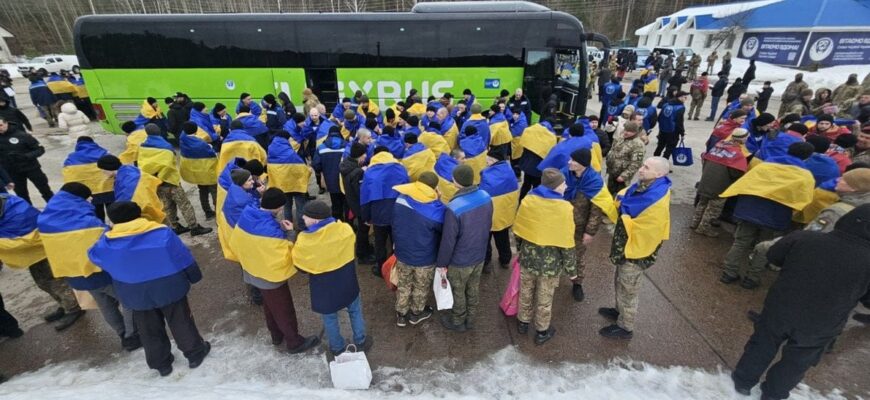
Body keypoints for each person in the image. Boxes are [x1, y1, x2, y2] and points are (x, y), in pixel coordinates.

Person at [730, 205, 870, 400]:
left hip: (782, 306)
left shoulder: (805, 238)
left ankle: (743, 381)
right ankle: (774, 393)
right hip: (823, 322)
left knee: (762, 344)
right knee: (798, 361)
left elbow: (774, 256)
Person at [88, 202, 210, 377]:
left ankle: (161, 363)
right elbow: (182, 256)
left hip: (134, 291)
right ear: (139, 214)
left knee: (148, 328)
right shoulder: (162, 232)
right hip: (169, 286)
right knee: (181, 320)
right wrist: (194, 275)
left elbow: (94, 256)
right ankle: (194, 354)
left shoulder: (107, 242)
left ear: (113, 220)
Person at [37, 182, 140, 350]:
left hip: (76, 275)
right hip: (101, 273)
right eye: (87, 198)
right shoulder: (88, 223)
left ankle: (122, 334)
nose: (90, 201)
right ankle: (132, 335)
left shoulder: (44, 220)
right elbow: (109, 242)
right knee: (129, 300)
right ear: (79, 199)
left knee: (105, 305)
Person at [230, 188, 320, 353]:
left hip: (253, 269)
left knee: (269, 305)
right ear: (278, 207)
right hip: (270, 276)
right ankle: (294, 342)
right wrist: (290, 233)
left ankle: (276, 335)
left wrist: (279, 226)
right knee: (283, 308)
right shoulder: (271, 232)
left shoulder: (247, 214)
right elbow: (285, 254)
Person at [719, 142, 816, 289]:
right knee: (764, 247)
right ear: (807, 157)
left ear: (788, 150)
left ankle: (728, 273)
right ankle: (752, 278)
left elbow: (745, 182)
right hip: (775, 215)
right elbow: (804, 199)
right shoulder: (805, 176)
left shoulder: (765, 165)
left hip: (749, 209)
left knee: (740, 242)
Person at [599, 157, 672, 339]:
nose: (641, 169)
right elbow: (627, 195)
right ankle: (619, 310)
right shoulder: (647, 185)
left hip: (636, 252)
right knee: (620, 281)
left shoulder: (655, 197)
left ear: (659, 174)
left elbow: (634, 212)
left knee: (628, 289)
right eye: (642, 165)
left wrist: (620, 205)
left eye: (646, 167)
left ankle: (625, 326)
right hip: (627, 247)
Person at [292, 200, 371, 356]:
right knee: (355, 310)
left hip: (324, 287)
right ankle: (361, 340)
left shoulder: (305, 241)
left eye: (306, 216)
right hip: (347, 281)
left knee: (330, 318)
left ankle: (337, 348)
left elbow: (301, 267)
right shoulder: (345, 229)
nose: (302, 218)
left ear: (315, 220)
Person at [0, 192, 85, 331]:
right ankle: (64, 304)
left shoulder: (17, 211)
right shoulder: (6, 205)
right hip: (32, 255)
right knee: (43, 283)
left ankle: (74, 308)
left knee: (56, 281)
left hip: (43, 251)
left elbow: (26, 240)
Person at [512, 168, 576, 345]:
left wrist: (520, 251)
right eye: (563, 183)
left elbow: (519, 230)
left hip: (528, 259)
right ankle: (542, 330)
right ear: (555, 186)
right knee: (544, 299)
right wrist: (572, 270)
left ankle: (523, 322)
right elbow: (566, 243)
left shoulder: (528, 200)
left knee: (526, 291)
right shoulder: (564, 208)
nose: (566, 186)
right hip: (550, 266)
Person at [436, 164, 492, 332]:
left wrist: (442, 263)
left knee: (458, 290)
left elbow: (448, 240)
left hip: (460, 260)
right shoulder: (486, 196)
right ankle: (471, 318)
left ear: (456, 182)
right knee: (473, 287)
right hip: (479, 254)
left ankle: (458, 320)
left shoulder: (454, 207)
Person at [561, 148, 616, 302]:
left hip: (579, 227)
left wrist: (590, 232)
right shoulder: (563, 175)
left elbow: (596, 211)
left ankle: (577, 283)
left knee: (577, 256)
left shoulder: (594, 182)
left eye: (573, 160)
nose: (569, 162)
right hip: (560, 224)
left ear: (583, 164)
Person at [138, 124, 212, 236]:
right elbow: (168, 165)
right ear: (159, 132)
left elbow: (142, 164)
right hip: (170, 182)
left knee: (167, 205)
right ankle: (194, 227)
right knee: (184, 204)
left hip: (155, 182)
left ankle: (174, 226)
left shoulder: (143, 146)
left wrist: (156, 180)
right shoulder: (165, 147)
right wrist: (163, 177)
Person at [391, 172, 444, 327]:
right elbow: (442, 229)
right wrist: (438, 200)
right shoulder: (437, 210)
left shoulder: (401, 199)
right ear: (434, 188)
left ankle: (401, 314)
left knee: (404, 284)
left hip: (402, 253)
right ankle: (416, 314)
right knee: (421, 287)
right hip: (425, 257)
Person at [361, 147, 410, 276]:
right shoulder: (401, 168)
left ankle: (381, 268)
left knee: (380, 242)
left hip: (378, 213)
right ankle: (395, 268)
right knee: (396, 241)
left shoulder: (369, 172)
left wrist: (366, 217)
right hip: (398, 211)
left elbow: (365, 196)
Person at [693, 128, 749, 237]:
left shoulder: (718, 145)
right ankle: (703, 228)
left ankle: (694, 223)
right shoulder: (737, 154)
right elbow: (736, 173)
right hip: (720, 185)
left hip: (706, 181)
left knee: (702, 202)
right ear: (742, 139)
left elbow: (705, 159)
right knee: (714, 208)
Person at [480, 151, 519, 273]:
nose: (486, 161)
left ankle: (486, 262)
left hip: (489, 216)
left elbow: (482, 193)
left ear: (493, 160)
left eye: (488, 159)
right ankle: (505, 260)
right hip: (504, 215)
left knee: (485, 241)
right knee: (503, 239)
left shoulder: (487, 174)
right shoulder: (509, 171)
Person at [0, 118, 53, 204]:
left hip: (31, 168)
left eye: (1, 125)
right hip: (13, 172)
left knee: (45, 190)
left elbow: (40, 149)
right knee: (22, 195)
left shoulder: (22, 135)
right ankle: (28, 211)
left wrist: (26, 156)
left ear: (6, 123)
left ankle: (54, 208)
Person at [61, 137, 115, 221]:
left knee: (97, 215)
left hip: (90, 192)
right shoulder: (105, 153)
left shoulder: (71, 158)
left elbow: (69, 176)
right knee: (114, 214)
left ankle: (100, 227)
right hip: (109, 189)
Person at [268, 130, 311, 230]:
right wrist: (308, 170)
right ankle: (302, 227)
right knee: (300, 206)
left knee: (287, 206)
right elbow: (301, 168)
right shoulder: (290, 153)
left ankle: (288, 226)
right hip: (296, 184)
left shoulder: (270, 151)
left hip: (282, 185)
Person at [340, 142, 375, 264]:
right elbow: (360, 192)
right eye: (364, 154)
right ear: (359, 155)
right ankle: (362, 254)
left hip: (352, 201)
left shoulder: (346, 165)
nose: (366, 156)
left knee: (362, 228)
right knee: (363, 229)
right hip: (360, 205)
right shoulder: (358, 172)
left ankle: (365, 248)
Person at [179, 122, 218, 220]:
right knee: (214, 191)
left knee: (203, 191)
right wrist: (211, 147)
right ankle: (218, 210)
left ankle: (207, 212)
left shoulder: (183, 140)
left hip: (197, 173)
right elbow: (212, 154)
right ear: (196, 130)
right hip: (208, 172)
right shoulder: (201, 144)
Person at [517, 118, 558, 198]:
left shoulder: (531, 129)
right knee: (537, 187)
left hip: (527, 164)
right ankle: (534, 202)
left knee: (526, 185)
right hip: (539, 168)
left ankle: (520, 201)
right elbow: (551, 153)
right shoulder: (552, 137)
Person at [313, 127, 347, 221]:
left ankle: (337, 221)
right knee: (346, 202)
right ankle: (348, 223)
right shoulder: (347, 146)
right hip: (345, 179)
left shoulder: (321, 147)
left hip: (330, 180)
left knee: (335, 202)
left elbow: (316, 165)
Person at [605, 121, 645, 196]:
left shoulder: (638, 145)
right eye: (625, 130)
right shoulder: (621, 138)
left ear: (635, 132)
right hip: (612, 172)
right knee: (609, 193)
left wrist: (624, 176)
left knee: (619, 195)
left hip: (622, 176)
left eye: (629, 131)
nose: (626, 132)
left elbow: (636, 163)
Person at [653, 91, 688, 160]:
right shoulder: (680, 108)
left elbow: (659, 117)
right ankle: (664, 161)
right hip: (673, 131)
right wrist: (682, 132)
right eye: (685, 97)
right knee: (669, 148)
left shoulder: (666, 104)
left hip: (663, 129)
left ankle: (654, 160)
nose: (686, 99)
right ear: (680, 97)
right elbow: (679, 122)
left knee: (660, 146)